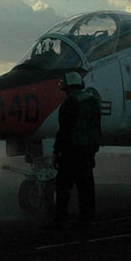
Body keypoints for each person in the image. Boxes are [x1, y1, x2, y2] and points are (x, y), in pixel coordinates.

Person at [49, 71, 102, 230]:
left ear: (67, 87)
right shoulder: (92, 101)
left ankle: (60, 220)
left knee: (63, 188)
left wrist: (56, 152)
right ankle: (86, 221)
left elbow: (64, 130)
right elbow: (96, 127)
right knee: (86, 188)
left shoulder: (69, 104)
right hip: (88, 151)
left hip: (71, 152)